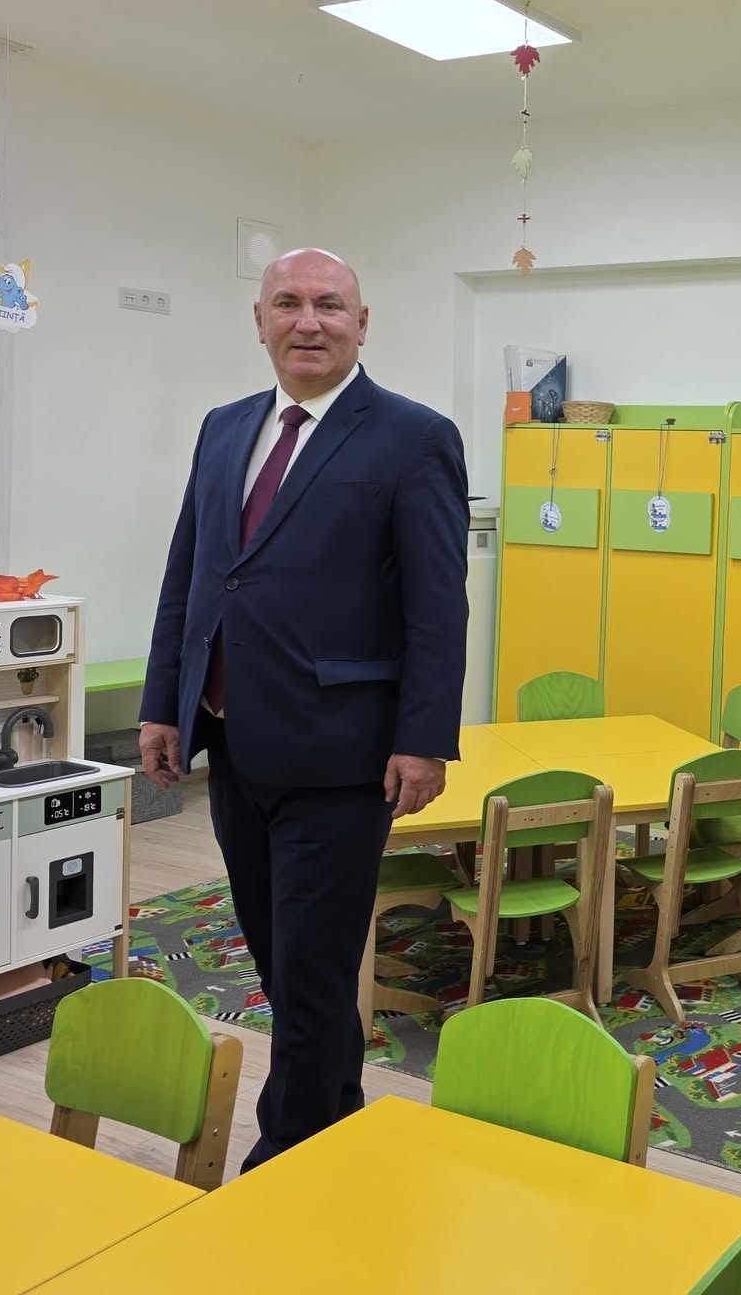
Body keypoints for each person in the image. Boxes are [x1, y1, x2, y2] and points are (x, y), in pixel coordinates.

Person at [139, 248, 468, 1170]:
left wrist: (424, 738)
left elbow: (437, 606)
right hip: (234, 746)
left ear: (362, 324)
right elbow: (190, 577)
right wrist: (165, 704)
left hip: (342, 754)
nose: (308, 321)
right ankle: (341, 1127)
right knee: (285, 966)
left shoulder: (413, 436)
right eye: (288, 303)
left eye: (329, 304)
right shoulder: (224, 428)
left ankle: (284, 1161)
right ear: (260, 321)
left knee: (314, 972)